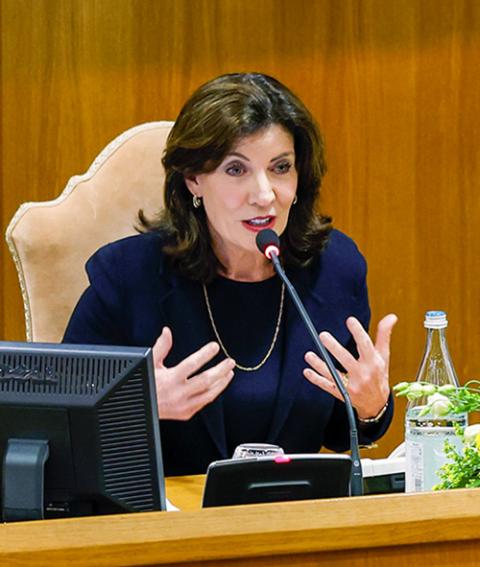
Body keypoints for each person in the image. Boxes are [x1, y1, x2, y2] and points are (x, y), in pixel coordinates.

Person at [63, 72, 397, 476]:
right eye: (236, 170)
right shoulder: (127, 278)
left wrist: (371, 407)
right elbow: (63, 426)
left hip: (291, 518)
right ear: (193, 180)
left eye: (280, 167)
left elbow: (338, 432)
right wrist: (138, 404)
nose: (264, 194)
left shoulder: (334, 269)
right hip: (166, 525)